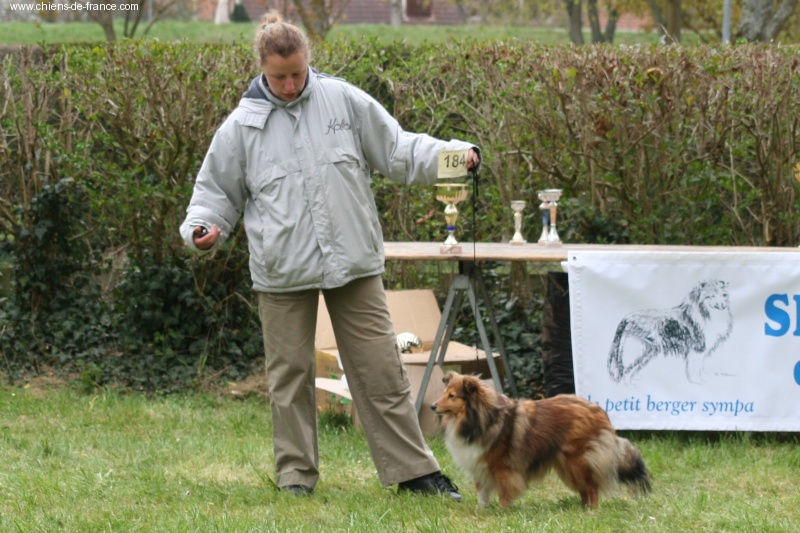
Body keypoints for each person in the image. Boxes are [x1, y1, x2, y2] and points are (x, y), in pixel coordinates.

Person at [180, 10, 480, 500]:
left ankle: (414, 473)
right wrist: (202, 231)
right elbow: (214, 197)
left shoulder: (343, 100)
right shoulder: (240, 127)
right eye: (279, 76)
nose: (290, 84)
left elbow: (400, 150)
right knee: (290, 379)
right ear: (261, 68)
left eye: (298, 72)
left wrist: (454, 156)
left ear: (308, 60)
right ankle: (295, 478)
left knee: (382, 370)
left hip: (354, 264)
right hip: (281, 274)